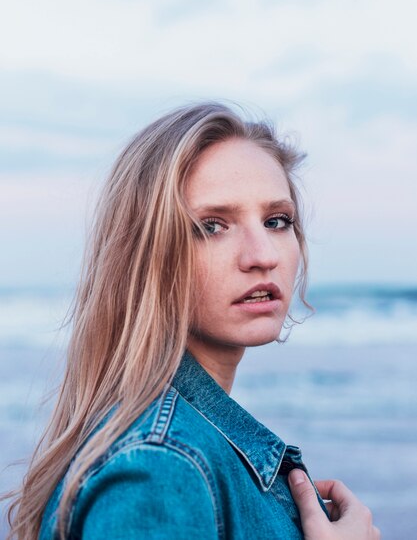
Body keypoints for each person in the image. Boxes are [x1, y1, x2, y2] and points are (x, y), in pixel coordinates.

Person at [6, 102, 380, 539]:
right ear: (143, 256)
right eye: (211, 227)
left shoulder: (173, 449)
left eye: (277, 221)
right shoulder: (158, 469)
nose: (262, 255)